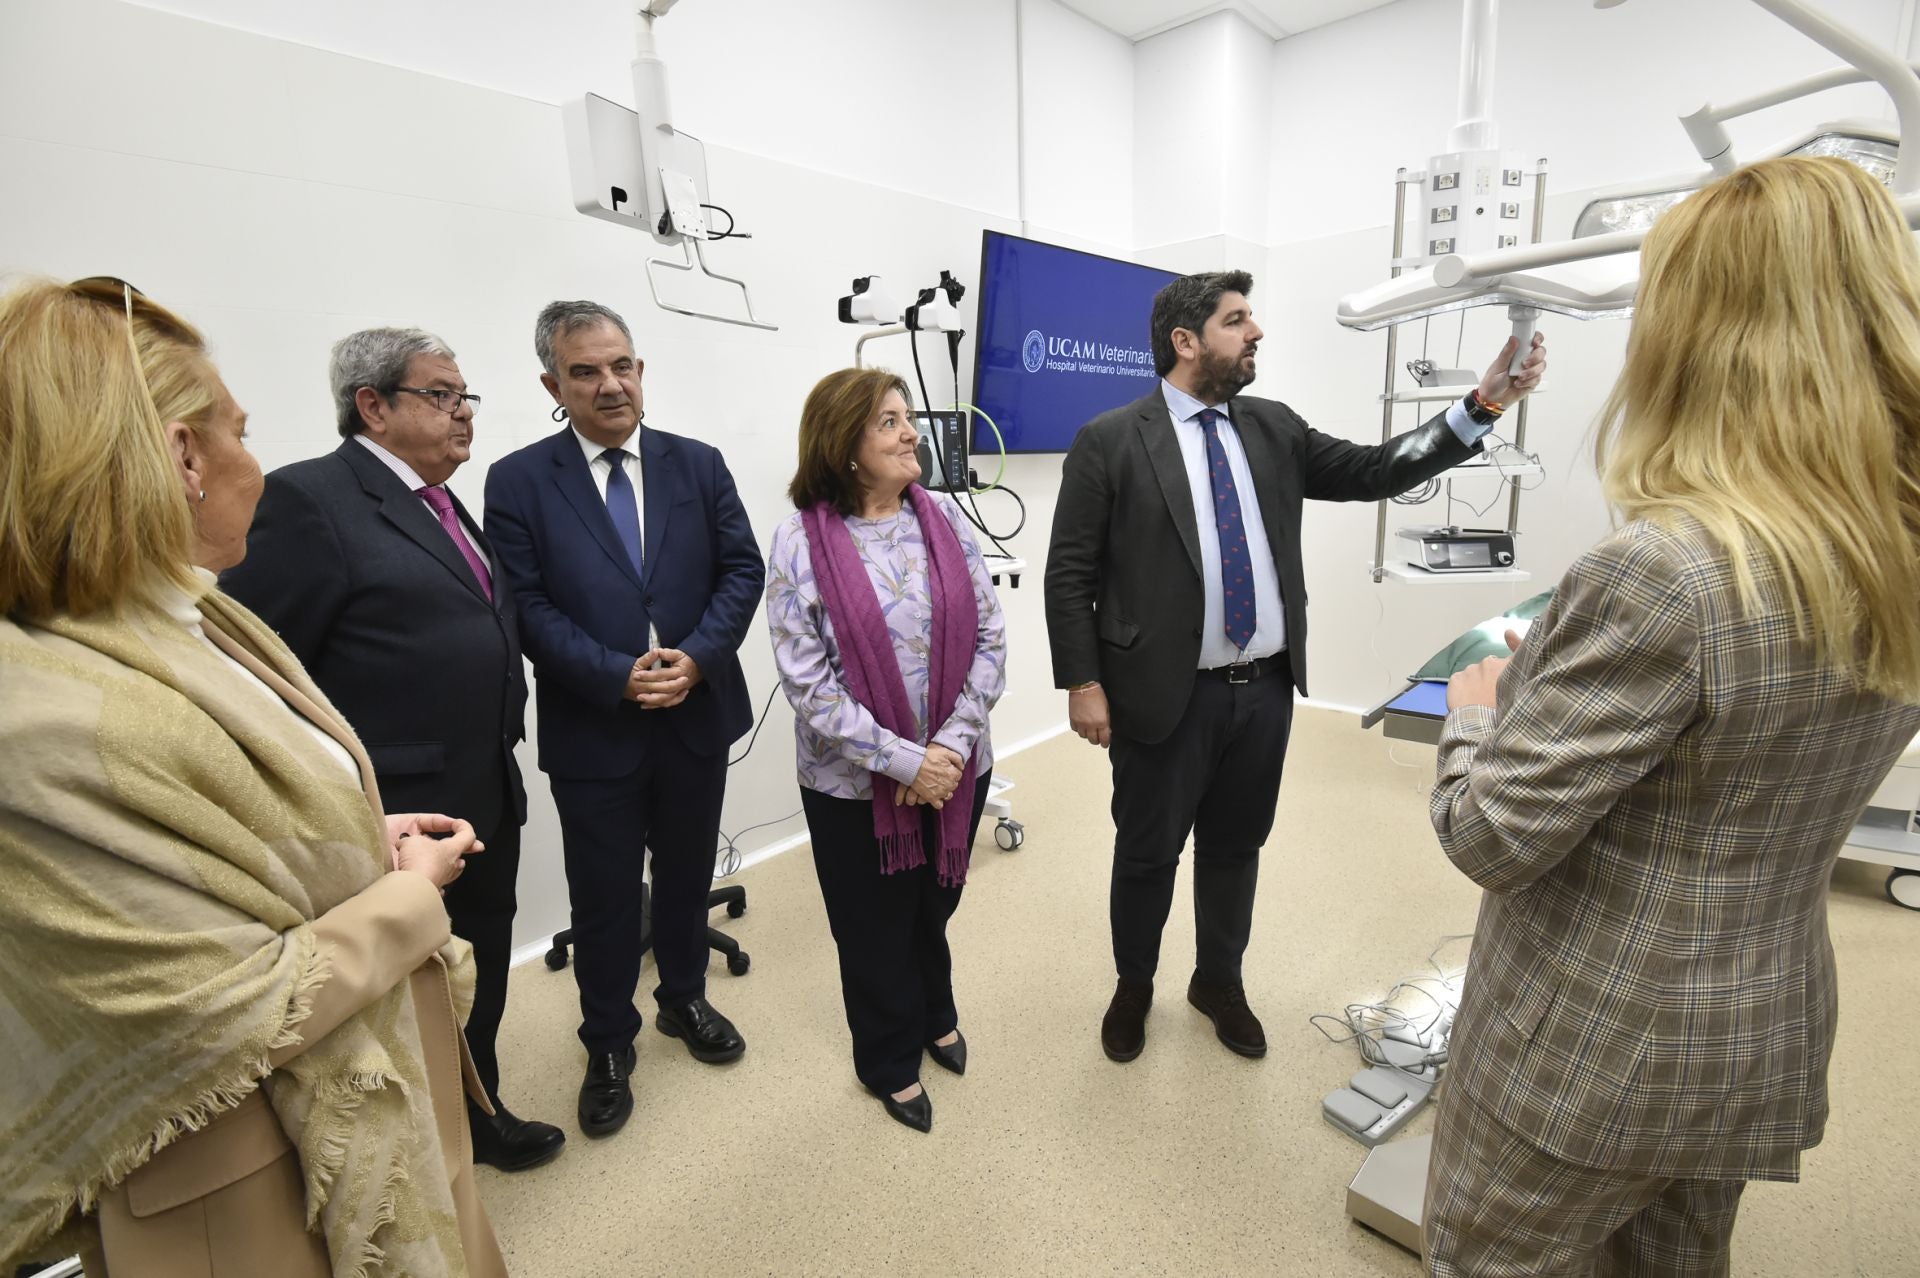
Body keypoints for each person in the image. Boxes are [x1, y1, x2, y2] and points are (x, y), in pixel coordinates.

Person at [1422, 156, 1920, 1277]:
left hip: (1592, 1052)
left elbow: (1490, 835)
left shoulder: (1668, 572)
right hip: (1753, 1026)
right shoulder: (1896, 548)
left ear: (1702, 332)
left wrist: (1475, 701)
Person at [0, 278, 506, 1277]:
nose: (257, 465)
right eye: (238, 431)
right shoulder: (39, 717)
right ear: (183, 456)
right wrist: (402, 895)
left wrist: (364, 835)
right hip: (246, 1179)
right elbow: (196, 1006)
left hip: (361, 1095)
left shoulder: (191, 616)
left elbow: (227, 828)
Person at [1044, 269, 1546, 1064]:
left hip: (1264, 691)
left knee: (1237, 847)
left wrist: (1479, 406)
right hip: (1159, 695)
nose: (1256, 333)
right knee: (1147, 853)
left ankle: (1219, 981)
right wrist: (1083, 681)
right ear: (1186, 341)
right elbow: (1068, 573)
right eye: (1238, 321)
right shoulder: (1111, 440)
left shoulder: (1271, 428)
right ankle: (1133, 986)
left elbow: (1379, 467)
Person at [220, 327, 565, 1173]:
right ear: (372, 406)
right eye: (441, 396)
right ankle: (413, 1154)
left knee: (474, 964)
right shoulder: (309, 500)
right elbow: (261, 674)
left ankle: (477, 1113)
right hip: (391, 820)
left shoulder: (445, 505)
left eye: (464, 397)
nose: (463, 415)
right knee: (403, 991)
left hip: (483, 786)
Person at [483, 300, 764, 1139]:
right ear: (552, 384)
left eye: (622, 366)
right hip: (595, 727)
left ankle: (684, 1002)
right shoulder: (521, 479)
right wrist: (618, 675)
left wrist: (698, 657)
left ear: (641, 371)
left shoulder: (697, 463)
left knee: (683, 879)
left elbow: (741, 570)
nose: (610, 385)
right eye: (585, 371)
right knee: (603, 899)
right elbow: (523, 606)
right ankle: (608, 1044)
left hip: (694, 713)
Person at [765, 369, 1007, 1133]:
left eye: (907, 418)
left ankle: (936, 1011)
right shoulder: (798, 544)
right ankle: (887, 1057)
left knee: (935, 901)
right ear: (844, 446)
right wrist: (907, 763)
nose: (912, 434)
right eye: (890, 422)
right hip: (855, 783)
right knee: (871, 926)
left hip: (957, 763)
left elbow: (993, 637)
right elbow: (809, 686)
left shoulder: (946, 522)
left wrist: (949, 749)